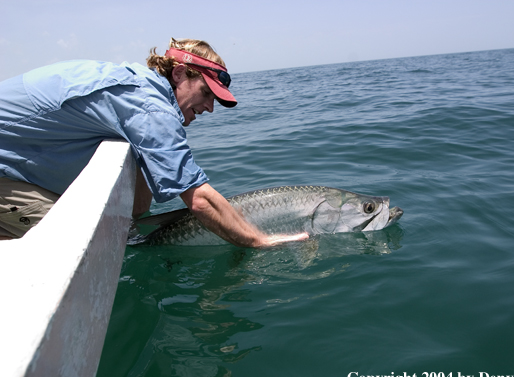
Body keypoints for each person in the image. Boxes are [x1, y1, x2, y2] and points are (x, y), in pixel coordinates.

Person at [0, 38, 308, 246]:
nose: (209, 108)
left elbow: (139, 205)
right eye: (206, 94)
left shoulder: (137, 91)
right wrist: (259, 241)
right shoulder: (149, 106)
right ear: (178, 73)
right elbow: (199, 200)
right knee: (91, 248)